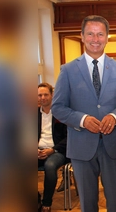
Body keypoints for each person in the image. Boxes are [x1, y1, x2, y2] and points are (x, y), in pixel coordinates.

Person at [51, 15, 116, 212]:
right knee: (88, 204)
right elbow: (58, 107)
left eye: (100, 34)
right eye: (90, 34)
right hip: (81, 146)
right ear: (82, 36)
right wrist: (82, 120)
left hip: (113, 145)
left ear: (107, 37)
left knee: (115, 202)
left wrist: (115, 117)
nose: (95, 39)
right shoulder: (68, 70)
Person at [38, 83, 68, 212]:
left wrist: (53, 149)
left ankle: (47, 203)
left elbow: (69, 137)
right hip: (38, 151)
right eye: (40, 95)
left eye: (46, 94)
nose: (43, 97)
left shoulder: (61, 114)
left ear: (52, 95)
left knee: (49, 166)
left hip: (57, 151)